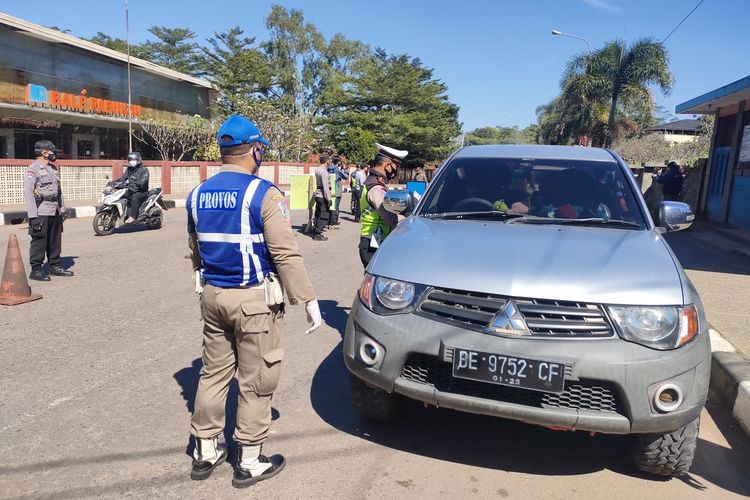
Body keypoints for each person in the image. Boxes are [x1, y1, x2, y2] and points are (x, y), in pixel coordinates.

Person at [186, 115, 322, 488]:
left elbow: (196, 249)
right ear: (256, 150)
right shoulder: (263, 193)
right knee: (257, 379)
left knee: (212, 374)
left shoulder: (198, 194)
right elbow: (285, 254)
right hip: (253, 303)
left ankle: (206, 449)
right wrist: (308, 300)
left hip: (212, 297)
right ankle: (249, 458)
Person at [24, 140, 74, 281]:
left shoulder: (52, 169)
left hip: (55, 210)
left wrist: (62, 209)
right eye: (53, 152)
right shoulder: (32, 169)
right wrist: (33, 216)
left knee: (55, 240)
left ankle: (55, 266)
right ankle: (36, 270)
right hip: (41, 211)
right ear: (44, 153)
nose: (55, 154)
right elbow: (29, 193)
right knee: (39, 241)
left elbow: (58, 191)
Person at [359, 143, 408, 268]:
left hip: (373, 239)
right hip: (373, 242)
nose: (396, 170)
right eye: (395, 166)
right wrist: (407, 218)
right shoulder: (375, 188)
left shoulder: (372, 183)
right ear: (387, 165)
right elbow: (389, 217)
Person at [113, 152, 150, 223]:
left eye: (133, 160)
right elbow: (122, 179)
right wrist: (113, 183)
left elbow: (144, 181)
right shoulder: (129, 169)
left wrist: (136, 182)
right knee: (120, 196)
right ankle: (122, 214)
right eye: (130, 160)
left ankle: (132, 216)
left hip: (142, 192)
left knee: (134, 198)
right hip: (131, 190)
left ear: (138, 160)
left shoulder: (144, 170)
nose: (131, 162)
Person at [313, 154, 332, 241]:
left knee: (318, 213)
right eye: (329, 160)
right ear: (327, 161)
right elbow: (326, 187)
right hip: (323, 195)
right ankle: (318, 233)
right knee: (324, 214)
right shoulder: (324, 172)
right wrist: (329, 199)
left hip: (318, 194)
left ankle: (315, 229)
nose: (330, 162)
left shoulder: (318, 169)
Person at [327, 155, 348, 226]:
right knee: (336, 206)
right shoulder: (336, 170)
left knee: (329, 205)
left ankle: (328, 221)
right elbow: (345, 177)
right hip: (337, 190)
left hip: (329, 189)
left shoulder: (328, 168)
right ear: (338, 162)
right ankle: (333, 221)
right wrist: (345, 169)